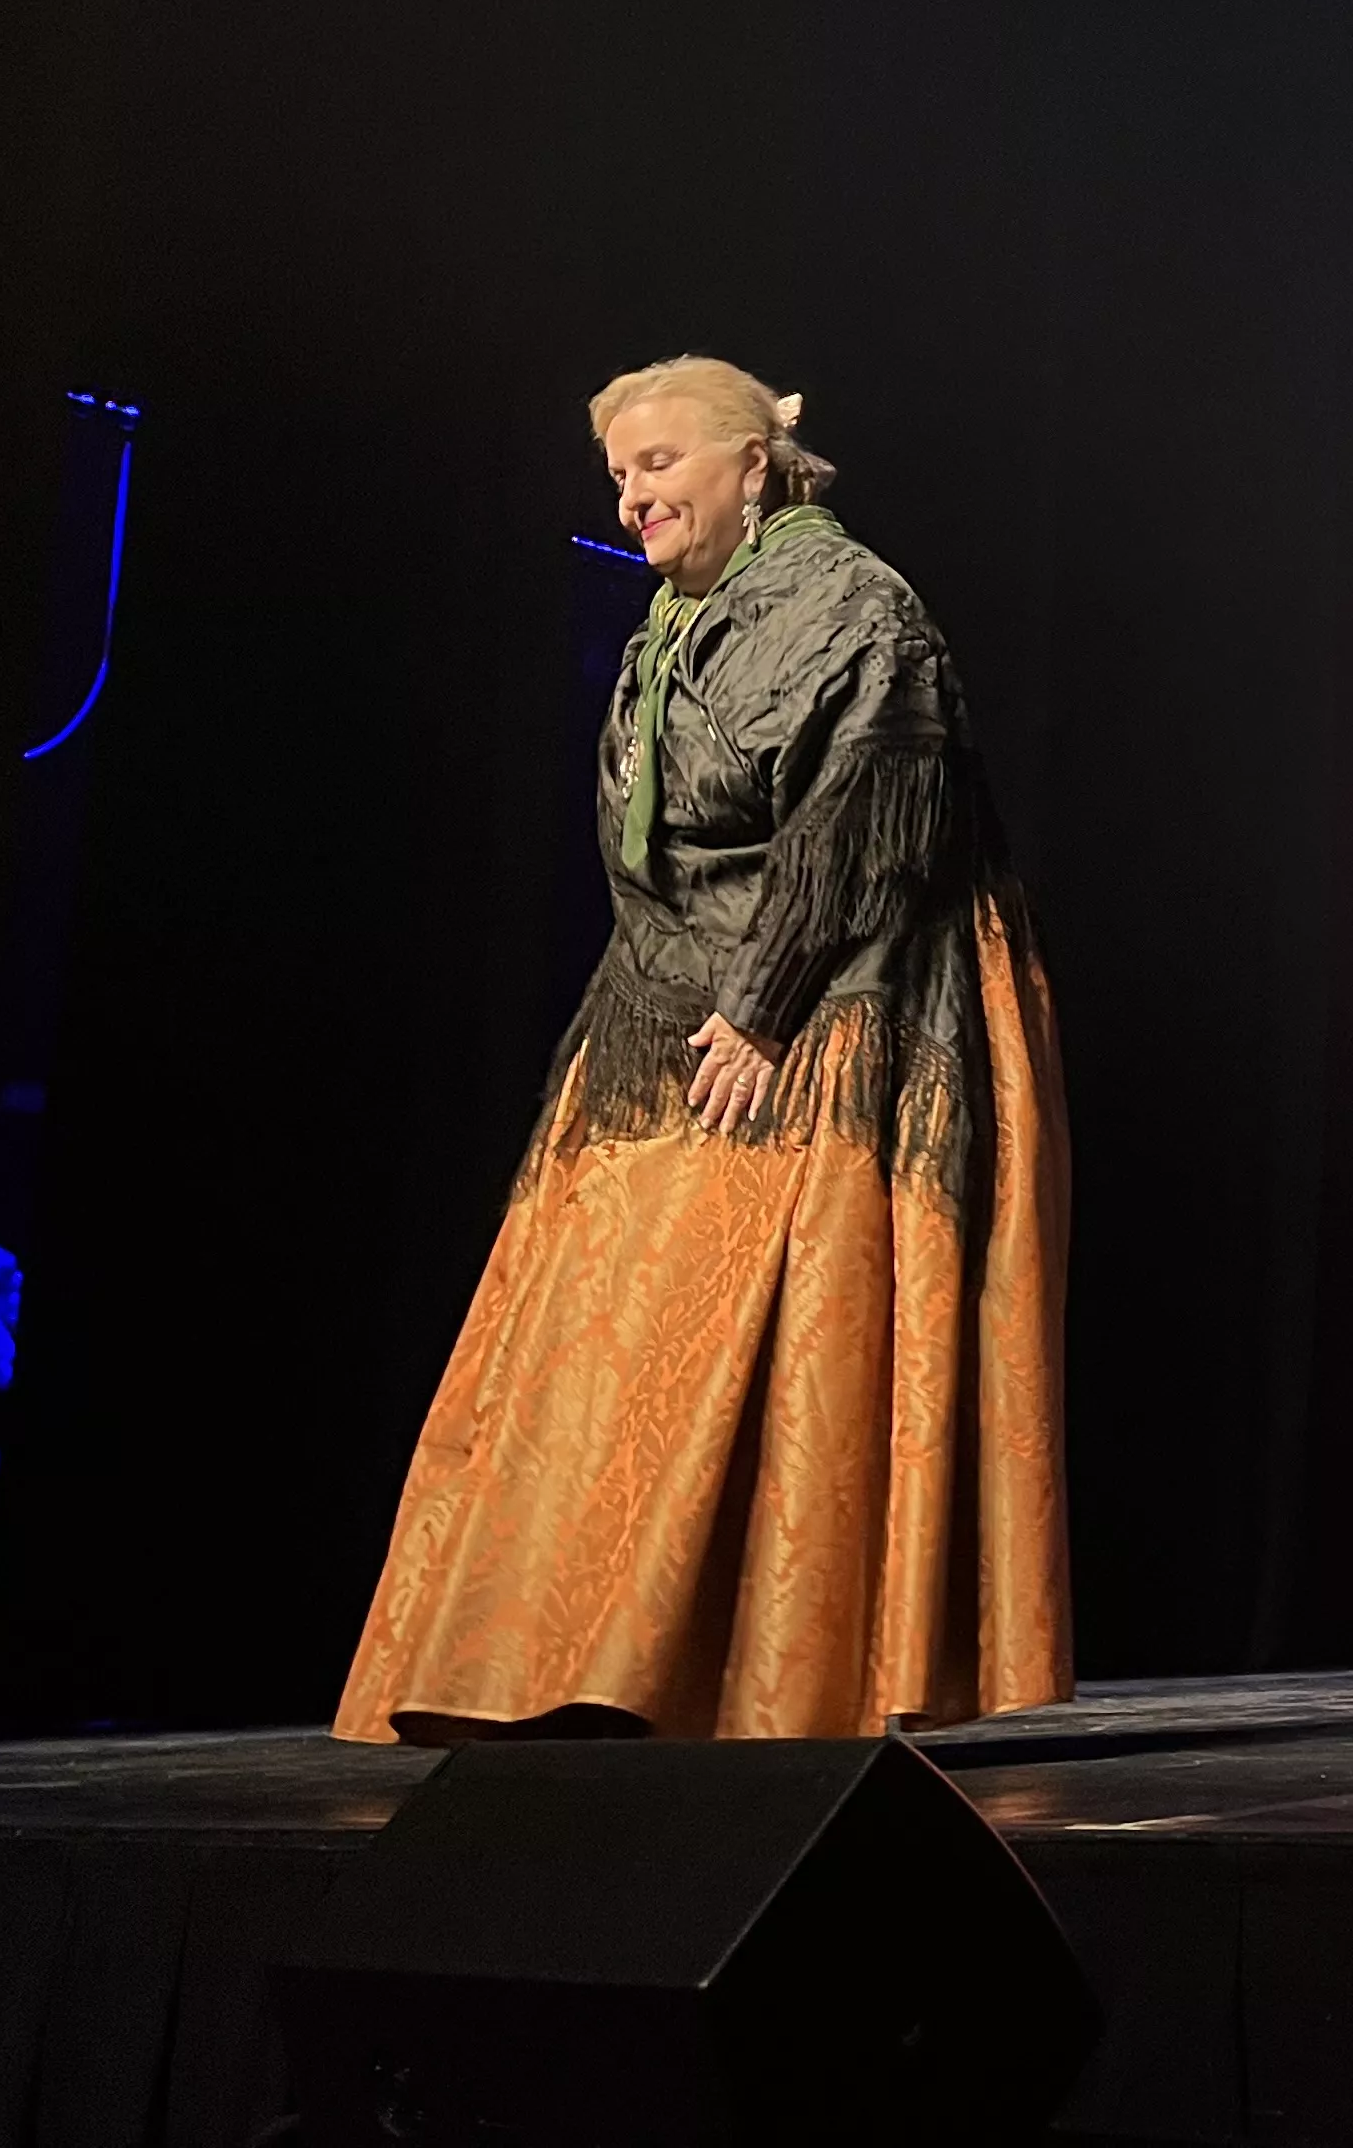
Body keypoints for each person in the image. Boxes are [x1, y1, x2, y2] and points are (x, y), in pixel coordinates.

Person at [337, 359, 1071, 1741]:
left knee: (752, 1325)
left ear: (754, 464)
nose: (634, 497)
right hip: (667, 997)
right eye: (622, 476)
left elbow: (869, 807)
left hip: (838, 994)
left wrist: (767, 1001)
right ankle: (547, 1660)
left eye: (661, 466)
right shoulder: (681, 619)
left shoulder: (859, 608)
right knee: (601, 1325)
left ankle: (730, 1674)